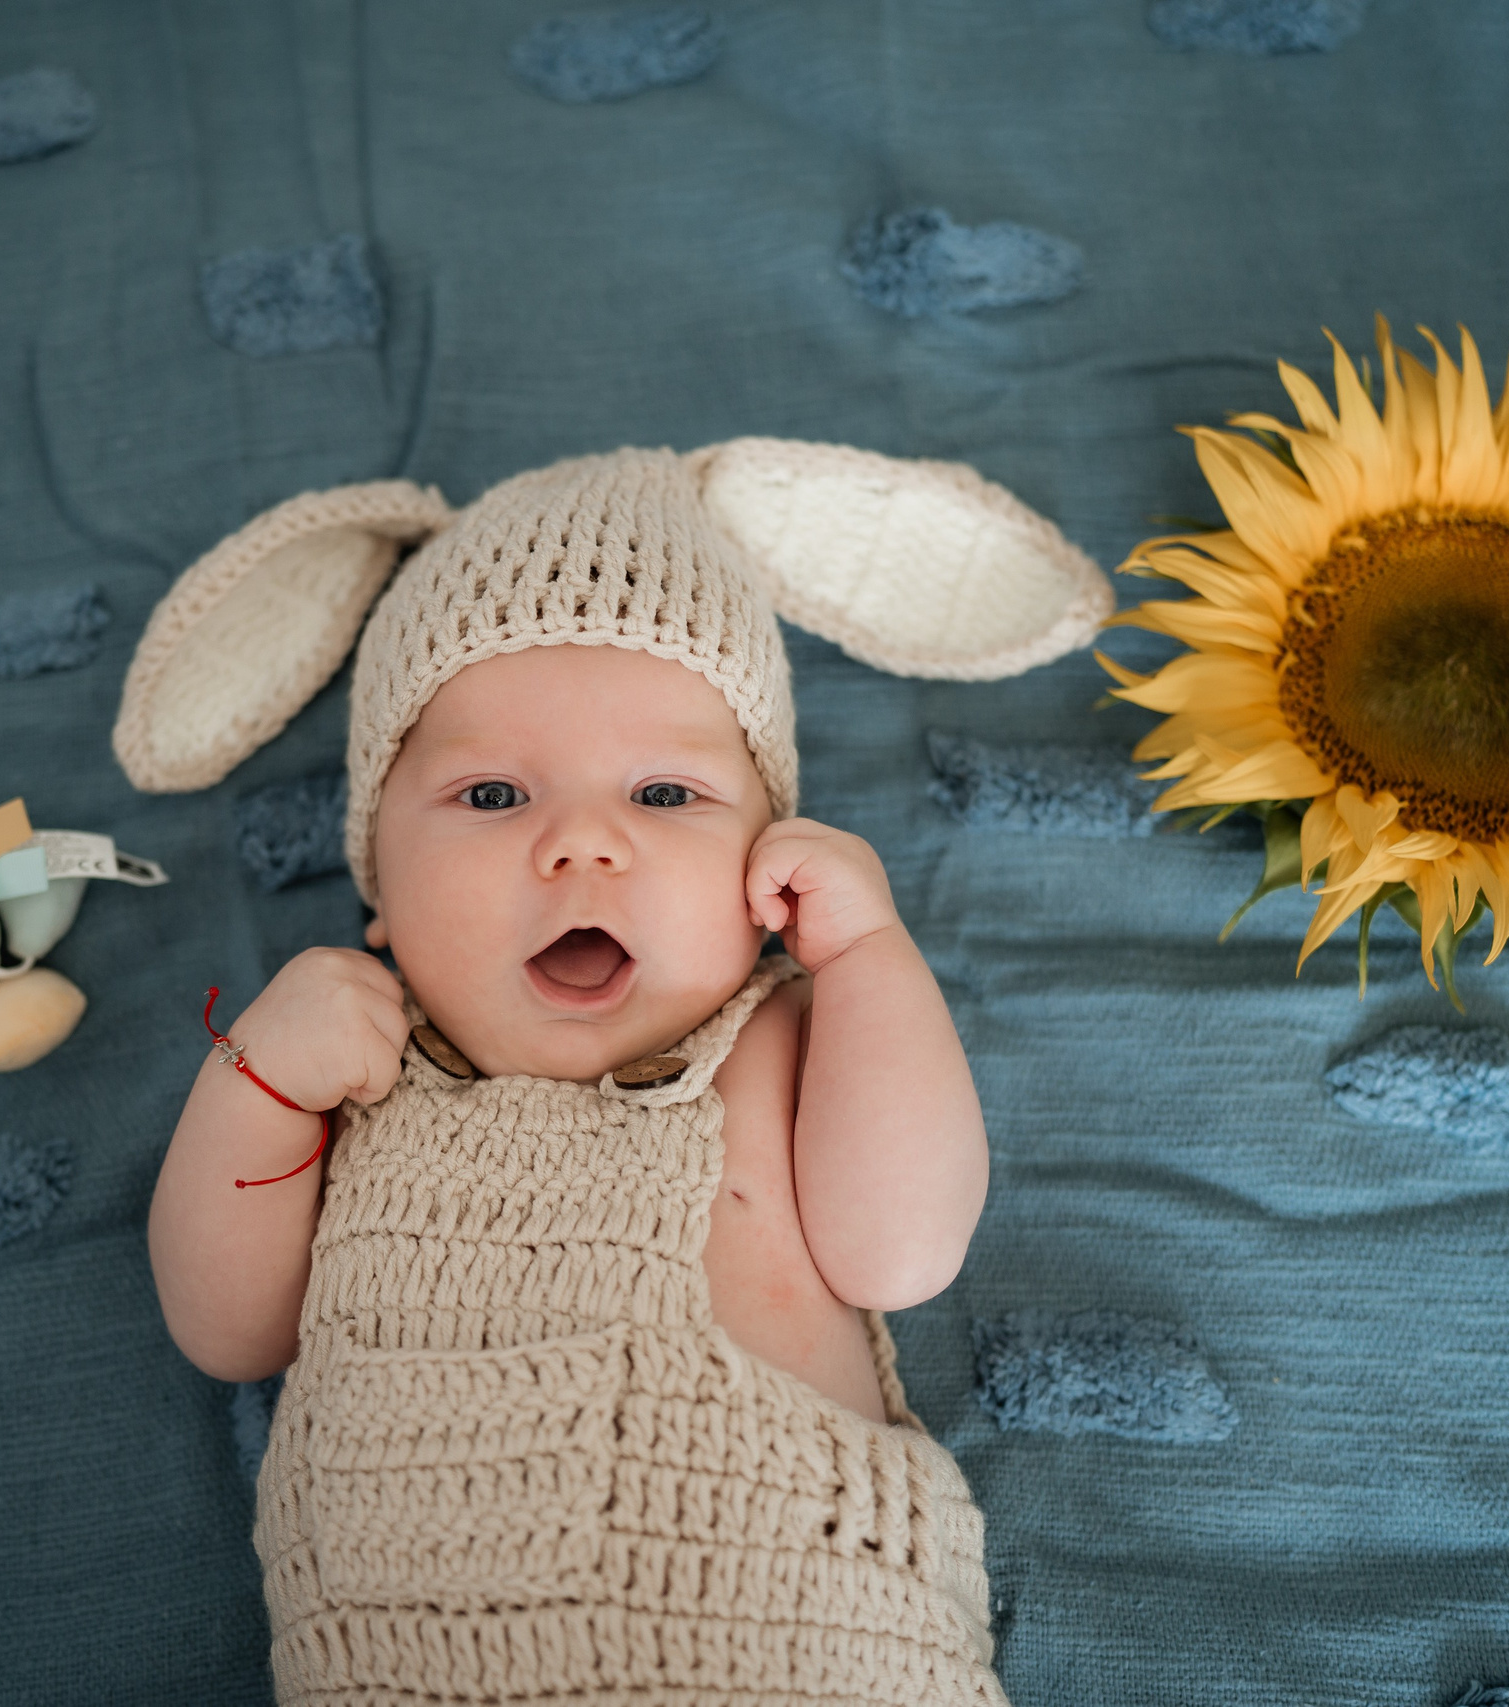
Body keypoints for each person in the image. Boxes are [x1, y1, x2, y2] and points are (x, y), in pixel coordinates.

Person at [145, 447, 1013, 1704]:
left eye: (664, 792)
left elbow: (904, 1252)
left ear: (768, 865)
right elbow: (229, 1332)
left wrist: (870, 958)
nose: (583, 843)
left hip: (797, 1649)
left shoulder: (779, 1041)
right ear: (379, 888)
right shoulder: (351, 1070)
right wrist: (256, 1082)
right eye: (492, 793)